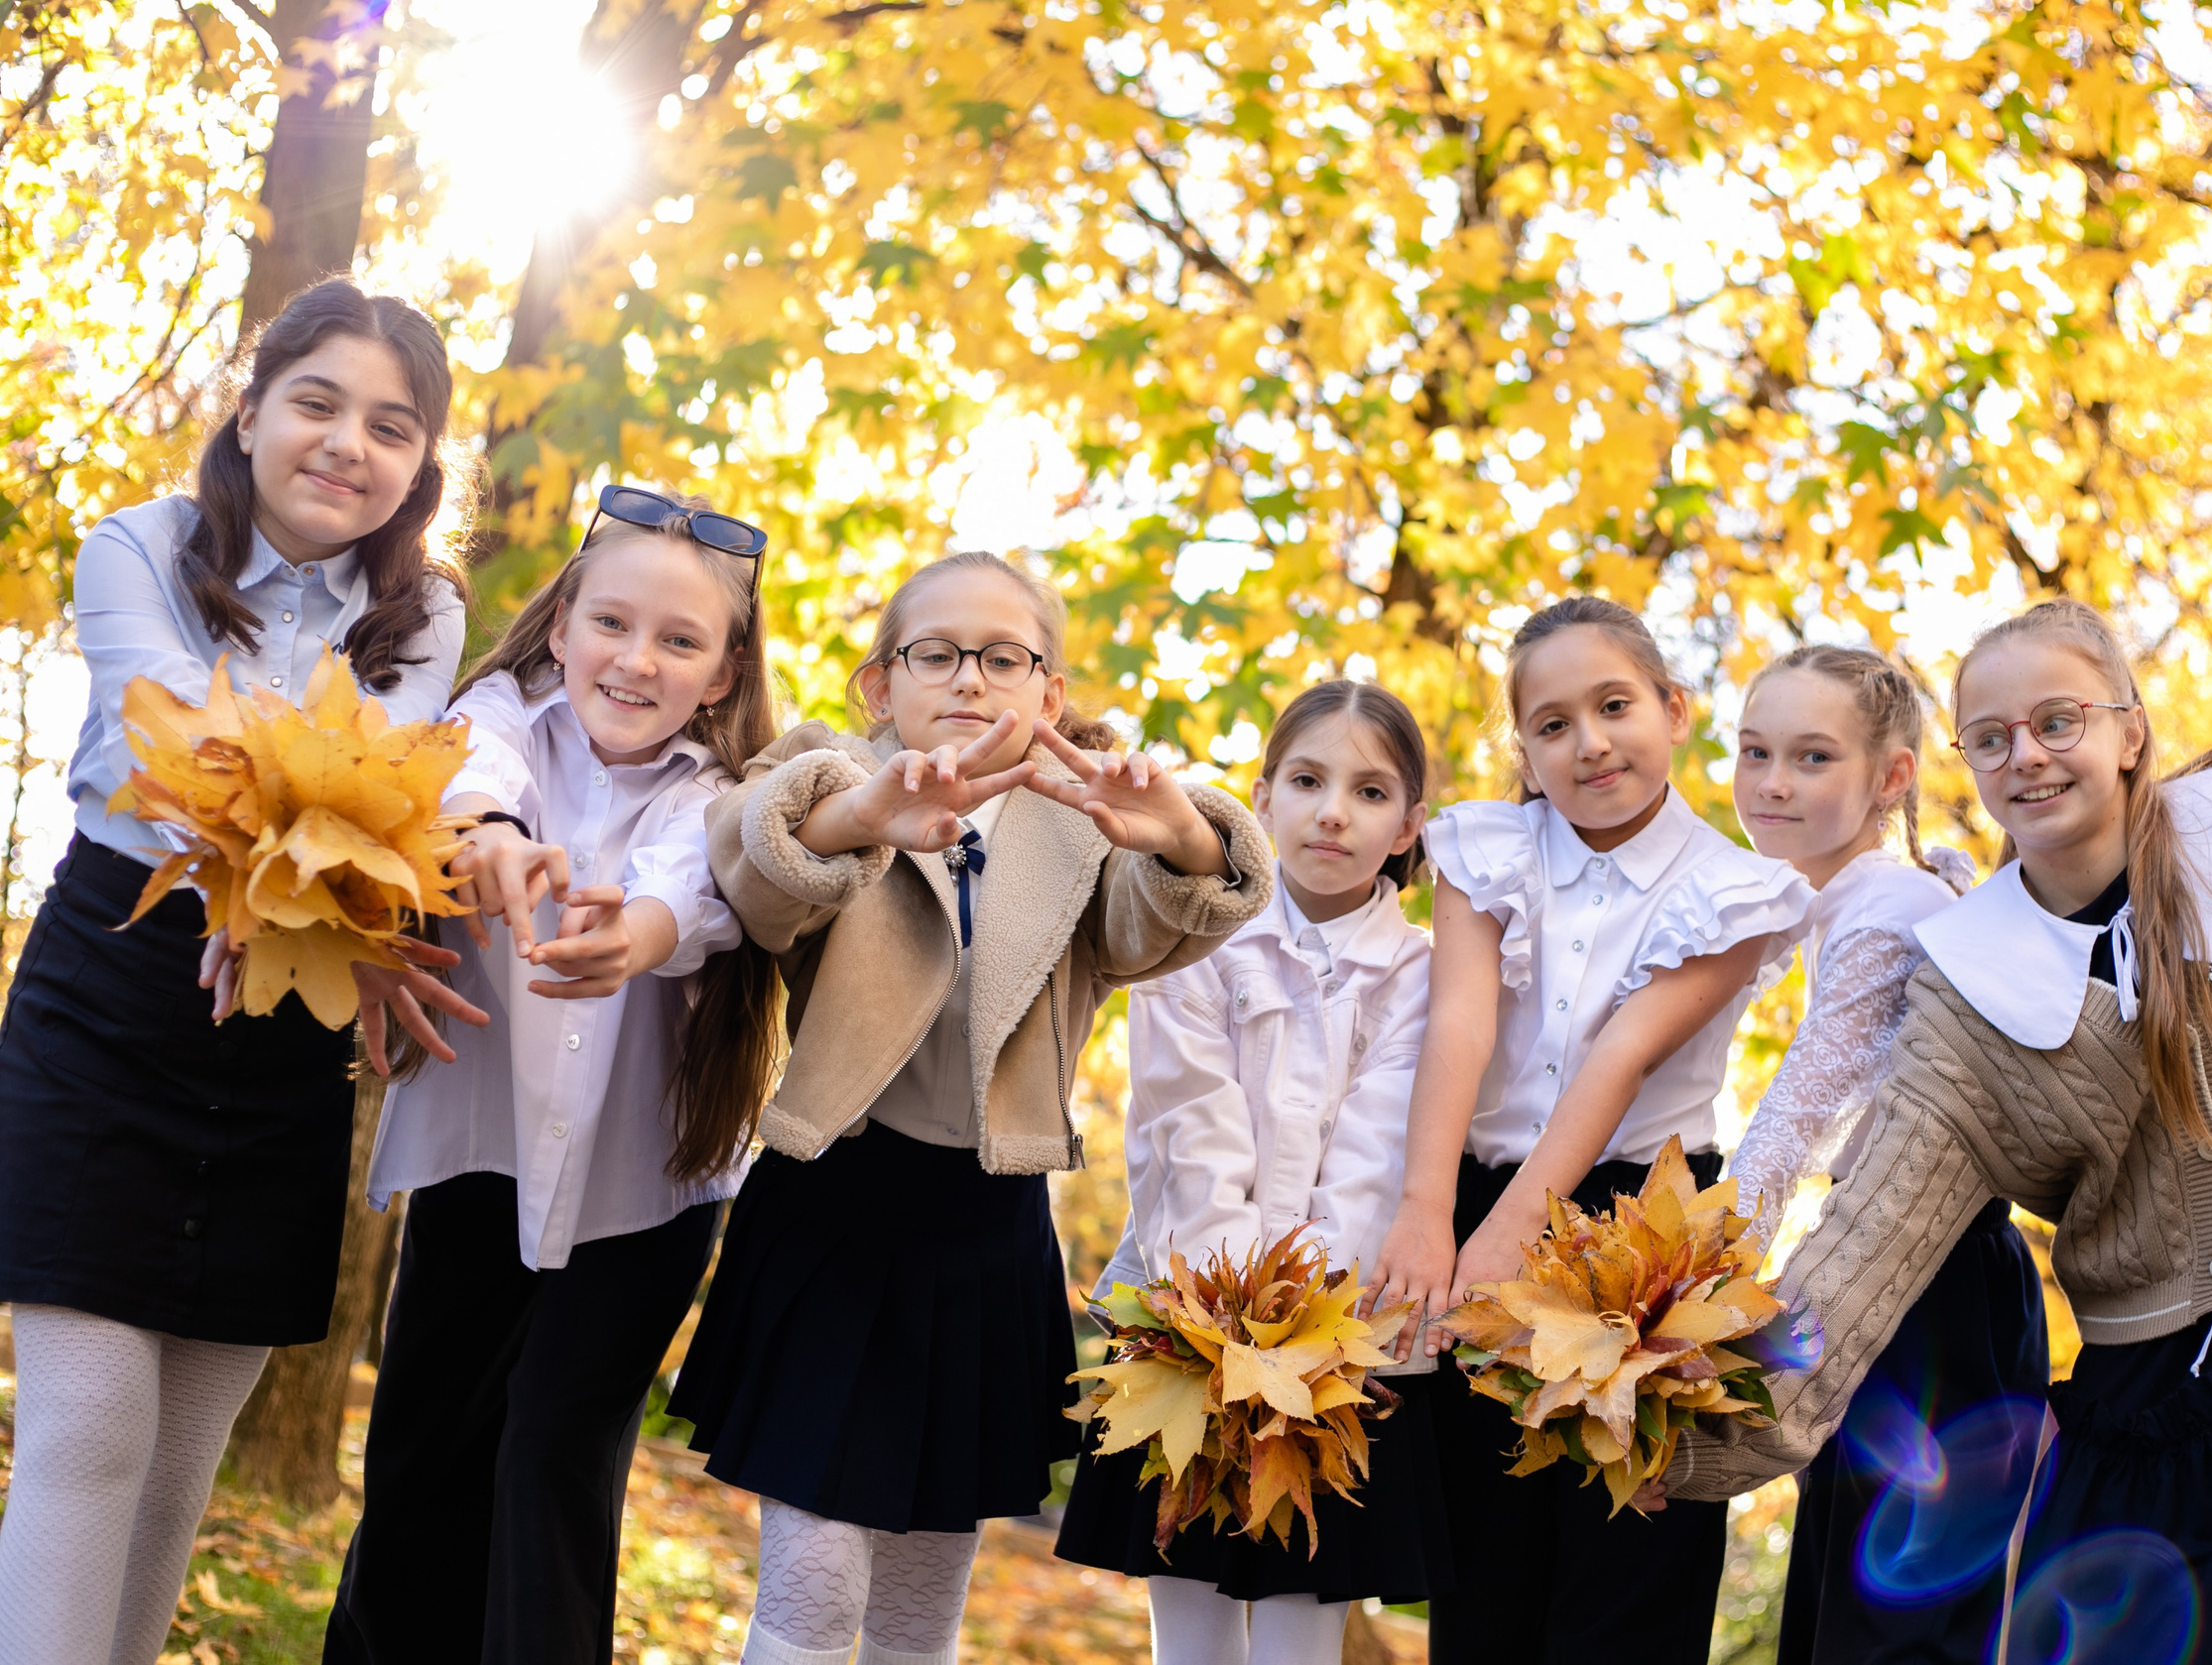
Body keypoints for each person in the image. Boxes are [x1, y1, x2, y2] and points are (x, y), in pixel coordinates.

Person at [1667, 598, 2212, 1664]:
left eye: (2059, 722)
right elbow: (1853, 1265)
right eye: (1991, 738)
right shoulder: (1967, 997)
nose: (2027, 758)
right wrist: (1682, 1447)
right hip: (2135, 1434)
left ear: (2129, 731)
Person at [669, 549, 1275, 1665]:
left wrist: (1180, 830)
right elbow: (759, 873)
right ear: (879, 684)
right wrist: (865, 813)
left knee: (921, 1584)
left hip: (984, 1227)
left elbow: (1161, 922)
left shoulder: (1088, 818)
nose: (968, 679)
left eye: (1006, 657)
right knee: (814, 1569)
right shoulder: (829, 774)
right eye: (934, 653)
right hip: (832, 1207)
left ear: (1050, 694)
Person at [0, 280, 485, 1665]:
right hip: (114, 977)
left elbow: (385, 785)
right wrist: (307, 816)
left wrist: (316, 827)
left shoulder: (425, 611)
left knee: (183, 1449)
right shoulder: (134, 545)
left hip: (287, 1006)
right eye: (319, 403)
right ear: (254, 404)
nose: (348, 445)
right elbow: (160, 739)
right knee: (90, 1424)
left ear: (421, 467)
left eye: (391, 427)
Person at [323, 488, 784, 1664]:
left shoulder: (725, 793)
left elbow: (703, 884)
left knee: (552, 1463)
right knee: (422, 1451)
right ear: (564, 621)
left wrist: (634, 933)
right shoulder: (497, 719)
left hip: (646, 1194)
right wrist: (483, 833)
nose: (637, 661)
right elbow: (470, 771)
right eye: (612, 625)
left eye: (680, 642)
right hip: (482, 1159)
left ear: (723, 674)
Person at [1373, 595, 1815, 1664]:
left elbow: (1621, 1056)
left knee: (1630, 1576)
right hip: (1473, 1195)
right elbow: (1461, 1028)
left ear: (1673, 707)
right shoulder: (1484, 849)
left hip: (1642, 1239)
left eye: (1615, 705)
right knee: (1486, 1578)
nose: (1590, 742)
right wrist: (1429, 1213)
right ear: (1522, 746)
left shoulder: (1735, 890)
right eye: (1553, 724)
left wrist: (1506, 1239)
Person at [1054, 678, 1454, 1663]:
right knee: (1187, 1616)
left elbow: (1376, 1153)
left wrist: (1298, 1324)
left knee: (1298, 1628)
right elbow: (1188, 1126)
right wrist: (1232, 1317)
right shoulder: (1197, 934)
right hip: (1185, 1318)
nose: (1332, 811)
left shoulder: (1426, 974)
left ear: (1409, 826)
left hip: (1339, 1342)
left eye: (1369, 793)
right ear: (1264, 794)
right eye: (1308, 780)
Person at [1721, 645, 2045, 1664]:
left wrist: (1684, 1294)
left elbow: (1792, 1120)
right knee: (1847, 1601)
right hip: (1897, 1269)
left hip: (1932, 1293)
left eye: (1813, 758)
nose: (1773, 783)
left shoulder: (1885, 911)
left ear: (1891, 777)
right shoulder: (1853, 899)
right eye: (1754, 752)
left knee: (1895, 1622)